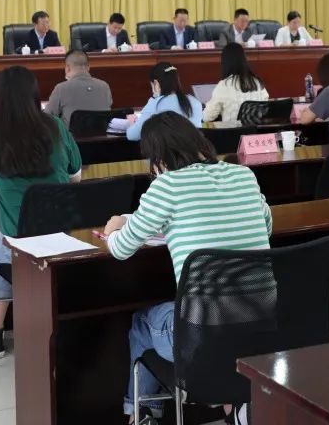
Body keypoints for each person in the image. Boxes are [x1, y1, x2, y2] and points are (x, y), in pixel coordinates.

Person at [104, 112, 272, 424]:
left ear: (158, 158)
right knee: (217, 320)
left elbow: (121, 249)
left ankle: (141, 415)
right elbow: (267, 226)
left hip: (201, 340)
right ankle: (233, 405)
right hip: (259, 326)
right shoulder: (244, 175)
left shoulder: (167, 185)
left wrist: (114, 228)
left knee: (142, 323)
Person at [0, 66, 82, 358]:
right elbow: (75, 177)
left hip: (16, 240)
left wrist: (6, 186)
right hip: (62, 238)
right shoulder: (55, 125)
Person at [126, 62, 203, 141]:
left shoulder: (156, 104)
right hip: (193, 148)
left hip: (167, 149)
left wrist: (132, 122)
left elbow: (133, 136)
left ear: (156, 83)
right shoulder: (195, 102)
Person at [45, 49, 113, 126]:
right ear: (88, 67)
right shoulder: (105, 86)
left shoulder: (61, 88)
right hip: (101, 133)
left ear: (67, 68)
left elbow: (47, 118)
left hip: (71, 134)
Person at [203, 44, 270, 122]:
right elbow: (265, 108)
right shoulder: (257, 82)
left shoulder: (224, 85)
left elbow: (207, 117)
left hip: (232, 129)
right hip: (255, 129)